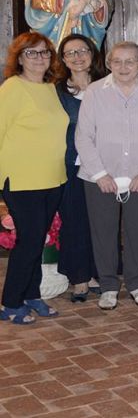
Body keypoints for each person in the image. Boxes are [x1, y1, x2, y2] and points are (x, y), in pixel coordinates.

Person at [77, 41, 138, 310]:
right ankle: (108, 286)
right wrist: (101, 174)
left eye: (130, 61)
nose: (124, 67)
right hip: (100, 178)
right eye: (117, 61)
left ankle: (136, 283)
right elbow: (83, 136)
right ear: (108, 63)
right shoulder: (94, 92)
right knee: (103, 233)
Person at [0, 32, 69, 324]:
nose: (39, 58)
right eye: (31, 53)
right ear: (19, 58)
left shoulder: (51, 88)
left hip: (52, 177)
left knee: (37, 241)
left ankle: (31, 295)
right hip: (21, 179)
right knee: (28, 242)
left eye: (44, 52)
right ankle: (10, 302)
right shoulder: (12, 88)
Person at [54, 34, 102, 302]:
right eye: (70, 53)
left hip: (105, 165)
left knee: (100, 222)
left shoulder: (108, 85)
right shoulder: (58, 91)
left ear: (92, 54)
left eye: (82, 50)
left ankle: (98, 272)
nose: (77, 57)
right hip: (71, 165)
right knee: (74, 222)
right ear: (63, 59)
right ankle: (80, 278)